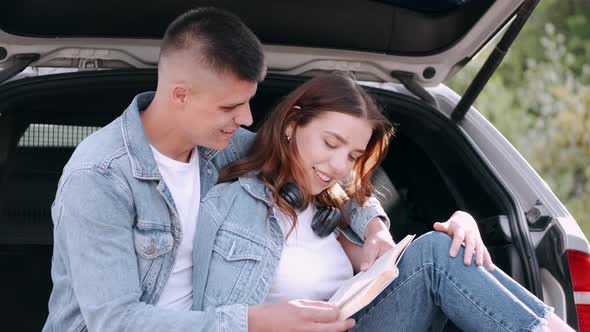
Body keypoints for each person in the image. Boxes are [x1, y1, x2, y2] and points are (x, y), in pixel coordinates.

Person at [42, 8, 394, 332]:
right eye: (231, 106)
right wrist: (252, 322)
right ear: (181, 95)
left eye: (247, 102)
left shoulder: (227, 147)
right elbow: (116, 321)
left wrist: (375, 226)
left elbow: (319, 168)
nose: (246, 119)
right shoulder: (99, 178)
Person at [192, 73, 575, 332]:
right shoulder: (228, 200)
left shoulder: (330, 214)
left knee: (439, 251)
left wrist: (461, 223)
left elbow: (389, 262)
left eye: (353, 156)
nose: (338, 166)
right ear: (292, 124)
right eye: (330, 144)